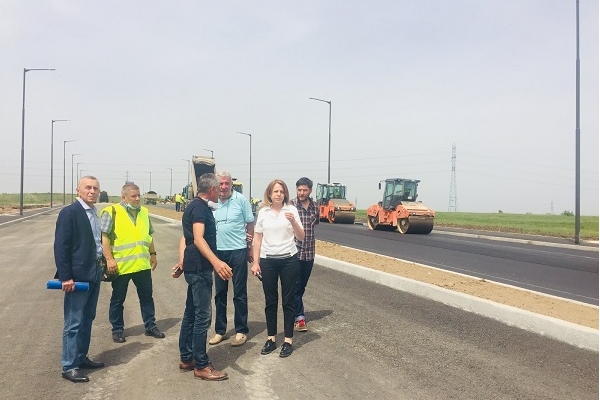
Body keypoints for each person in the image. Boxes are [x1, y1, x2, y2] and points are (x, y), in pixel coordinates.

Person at [174, 173, 232, 381]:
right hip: (200, 268)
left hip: (194, 266)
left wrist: (183, 262)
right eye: (218, 188)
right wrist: (217, 262)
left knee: (191, 313)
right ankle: (201, 365)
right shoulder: (199, 208)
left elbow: (187, 238)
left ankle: (187, 357)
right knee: (202, 316)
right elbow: (198, 239)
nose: (220, 192)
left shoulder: (194, 206)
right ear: (212, 189)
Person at [54, 176, 105, 383]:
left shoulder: (93, 212)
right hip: (77, 277)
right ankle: (69, 366)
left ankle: (81, 357)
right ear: (78, 190)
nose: (92, 191)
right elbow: (61, 246)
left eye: (95, 188)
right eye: (88, 188)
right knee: (73, 322)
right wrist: (66, 276)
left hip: (94, 272)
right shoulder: (70, 213)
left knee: (88, 318)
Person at [100, 183, 165, 344]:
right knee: (118, 299)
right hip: (121, 266)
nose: (137, 199)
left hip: (142, 265)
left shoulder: (144, 212)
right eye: (133, 196)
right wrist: (109, 259)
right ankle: (117, 330)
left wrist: (153, 254)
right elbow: (104, 238)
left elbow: (148, 235)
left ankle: (150, 326)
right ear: (124, 197)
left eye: (138, 196)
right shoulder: (112, 212)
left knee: (147, 298)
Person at [251, 179, 304, 358]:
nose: (279, 194)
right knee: (270, 300)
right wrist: (256, 262)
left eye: (281, 191)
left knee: (288, 301)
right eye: (275, 191)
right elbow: (257, 239)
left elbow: (301, 236)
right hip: (268, 261)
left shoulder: (292, 210)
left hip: (288, 259)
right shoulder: (263, 212)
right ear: (270, 194)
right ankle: (271, 338)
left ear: (285, 194)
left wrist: (293, 222)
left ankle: (288, 340)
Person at [208, 171, 255, 347]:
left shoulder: (241, 200)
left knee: (239, 292)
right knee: (220, 293)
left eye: (227, 183)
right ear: (216, 185)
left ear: (231, 184)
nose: (224, 187)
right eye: (220, 183)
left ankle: (241, 330)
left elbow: (250, 222)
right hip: (218, 254)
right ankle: (220, 331)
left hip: (238, 251)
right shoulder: (212, 202)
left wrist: (249, 245)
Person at [290, 177, 319, 332]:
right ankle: (299, 317)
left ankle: (291, 307)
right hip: (294, 252)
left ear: (310, 191)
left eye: (304, 190)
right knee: (296, 285)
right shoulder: (290, 206)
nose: (301, 193)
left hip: (309, 253)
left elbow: (314, 225)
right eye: (299, 190)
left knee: (302, 286)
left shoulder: (315, 207)